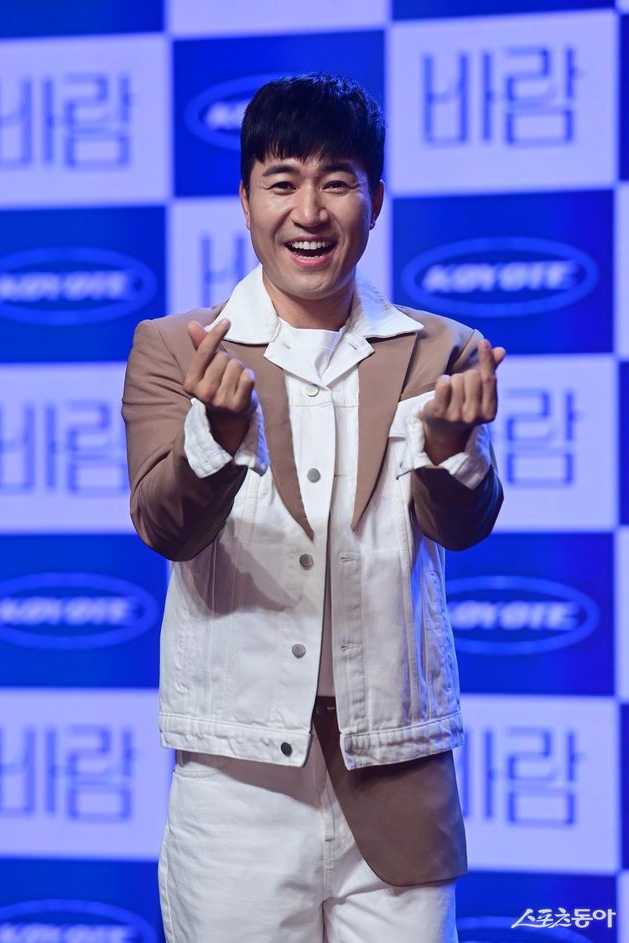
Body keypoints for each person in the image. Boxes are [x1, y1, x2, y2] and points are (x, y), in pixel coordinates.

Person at [122, 73, 504, 943]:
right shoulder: (178, 348)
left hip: (399, 779)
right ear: (245, 200)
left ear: (376, 199)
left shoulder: (443, 349)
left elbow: (464, 524)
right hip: (238, 788)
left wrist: (453, 447)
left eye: (337, 182)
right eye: (282, 181)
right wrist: (215, 436)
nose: (309, 211)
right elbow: (166, 526)